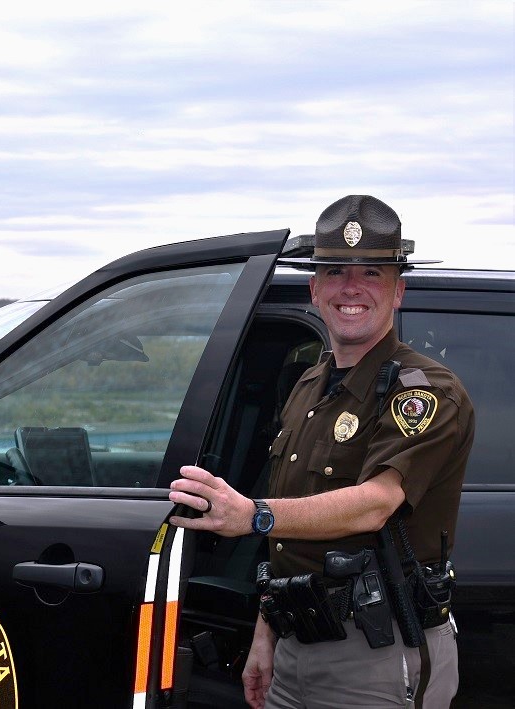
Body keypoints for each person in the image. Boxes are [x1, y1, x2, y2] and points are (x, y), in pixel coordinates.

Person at [169, 195, 475, 708]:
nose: (350, 287)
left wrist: (252, 516)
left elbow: (377, 502)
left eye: (372, 273)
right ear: (315, 289)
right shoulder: (309, 385)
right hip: (295, 648)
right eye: (334, 271)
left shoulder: (424, 392)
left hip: (377, 656)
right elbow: (295, 534)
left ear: (397, 290)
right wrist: (265, 638)